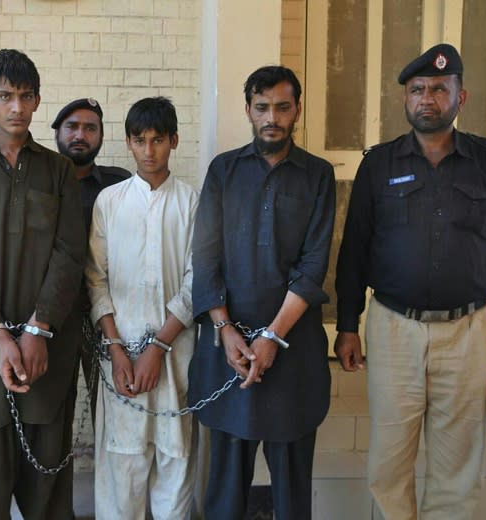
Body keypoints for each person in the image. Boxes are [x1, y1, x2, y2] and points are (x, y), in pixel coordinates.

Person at [334, 43, 486, 520]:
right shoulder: (378, 165)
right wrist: (346, 323)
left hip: (468, 331)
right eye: (417, 89)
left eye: (439, 89)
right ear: (405, 99)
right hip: (393, 328)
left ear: (460, 98)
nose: (427, 98)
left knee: (456, 462)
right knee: (389, 461)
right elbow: (354, 249)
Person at [0, 49, 86, 520]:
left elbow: (69, 256)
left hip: (48, 349)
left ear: (38, 101)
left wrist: (37, 330)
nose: (17, 108)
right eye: (5, 96)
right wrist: (3, 337)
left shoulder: (60, 171)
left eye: (26, 97)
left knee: (48, 488)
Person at [189, 65, 336, 520]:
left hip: (293, 351)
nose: (272, 116)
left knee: (292, 492)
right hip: (227, 350)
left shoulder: (318, 175)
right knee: (225, 491)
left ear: (297, 110)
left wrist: (271, 337)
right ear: (248, 109)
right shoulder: (223, 171)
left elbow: (314, 266)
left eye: (282, 107)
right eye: (262, 107)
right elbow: (206, 258)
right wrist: (226, 331)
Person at [86, 96, 198, 519]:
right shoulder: (109, 202)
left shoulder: (191, 202)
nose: (149, 151)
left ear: (174, 141)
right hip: (122, 361)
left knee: (175, 461)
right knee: (122, 467)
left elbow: (196, 280)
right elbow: (96, 278)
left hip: (175, 356)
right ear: (128, 143)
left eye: (157, 140)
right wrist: (118, 352)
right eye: (139, 140)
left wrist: (159, 348)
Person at [52, 98, 130, 423]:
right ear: (57, 132)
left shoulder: (119, 184)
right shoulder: (40, 183)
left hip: (107, 317)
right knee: (54, 413)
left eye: (89, 128)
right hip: (56, 317)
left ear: (100, 135)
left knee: (112, 411)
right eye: (72, 127)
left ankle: (109, 476)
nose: (80, 135)